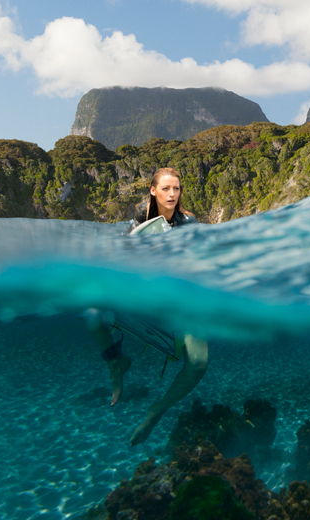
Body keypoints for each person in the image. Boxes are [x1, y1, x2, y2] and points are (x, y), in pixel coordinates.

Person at [86, 167, 206, 446]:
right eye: (166, 188)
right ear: (153, 190)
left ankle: (156, 412)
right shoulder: (141, 216)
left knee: (198, 363)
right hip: (147, 295)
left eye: (176, 188)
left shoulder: (189, 222)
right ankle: (116, 362)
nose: (172, 194)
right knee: (91, 310)